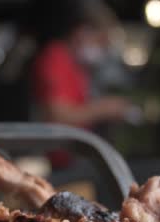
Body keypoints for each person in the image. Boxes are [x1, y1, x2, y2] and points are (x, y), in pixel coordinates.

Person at [31, 0, 132, 168]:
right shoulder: (55, 57)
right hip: (59, 162)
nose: (102, 48)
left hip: (77, 156)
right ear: (82, 31)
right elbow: (58, 115)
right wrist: (105, 108)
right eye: (100, 40)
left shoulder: (76, 65)